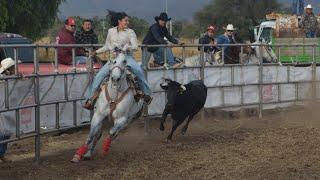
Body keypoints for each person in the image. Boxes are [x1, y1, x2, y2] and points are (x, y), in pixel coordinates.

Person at [83, 11, 152, 110]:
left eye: (128, 21)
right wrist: (96, 52)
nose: (127, 22)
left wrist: (127, 47)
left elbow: (135, 46)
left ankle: (146, 94)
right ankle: (90, 100)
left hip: (126, 58)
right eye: (126, 20)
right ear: (119, 21)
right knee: (99, 76)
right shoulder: (111, 31)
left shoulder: (130, 32)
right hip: (113, 59)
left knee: (138, 71)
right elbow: (107, 46)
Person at [0, 58, 18, 163]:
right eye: (13, 68)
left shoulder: (8, 78)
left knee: (5, 133)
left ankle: (2, 154)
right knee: (3, 133)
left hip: (6, 109)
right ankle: (1, 154)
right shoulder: (3, 78)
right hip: (3, 109)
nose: (15, 69)